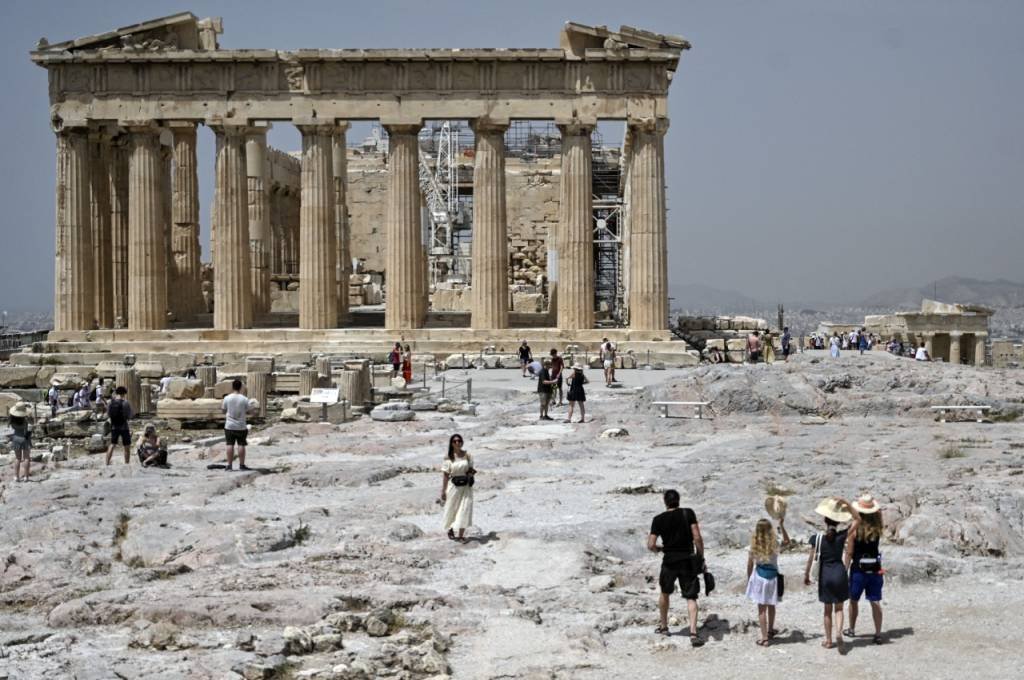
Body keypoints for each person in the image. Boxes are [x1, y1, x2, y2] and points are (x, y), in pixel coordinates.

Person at [648, 489, 705, 646]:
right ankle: (693, 633)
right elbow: (697, 537)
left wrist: (660, 549)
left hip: (669, 561)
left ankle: (664, 627)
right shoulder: (688, 513)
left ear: (665, 501)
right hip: (687, 559)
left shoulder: (658, 519)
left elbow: (650, 544)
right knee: (691, 596)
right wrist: (700, 556)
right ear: (678, 500)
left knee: (665, 592)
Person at [804, 497, 860, 650]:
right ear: (838, 522)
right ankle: (839, 634)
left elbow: (810, 560)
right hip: (840, 573)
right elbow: (858, 519)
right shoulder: (842, 536)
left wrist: (806, 575)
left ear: (824, 520)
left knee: (827, 610)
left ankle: (828, 640)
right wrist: (846, 503)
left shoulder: (817, 539)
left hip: (825, 576)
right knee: (839, 608)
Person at [845, 494, 885, 645]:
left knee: (853, 601)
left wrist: (844, 569)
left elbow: (849, 552)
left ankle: (852, 628)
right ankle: (878, 633)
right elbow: (880, 515)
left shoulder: (854, 531)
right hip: (875, 569)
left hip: (858, 571)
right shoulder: (877, 529)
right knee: (875, 601)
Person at [745, 517, 791, 646]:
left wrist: (749, 580)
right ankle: (770, 630)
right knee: (771, 605)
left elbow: (749, 565)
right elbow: (787, 541)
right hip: (773, 577)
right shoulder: (775, 543)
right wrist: (781, 525)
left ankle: (764, 638)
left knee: (761, 609)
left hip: (759, 577)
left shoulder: (753, 546)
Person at [440, 433, 475, 542]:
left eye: (459, 441)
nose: (457, 443)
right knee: (452, 508)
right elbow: (445, 474)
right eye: (455, 441)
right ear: (451, 443)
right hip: (453, 486)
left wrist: (470, 476)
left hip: (465, 486)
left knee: (465, 509)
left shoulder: (468, 455)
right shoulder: (448, 457)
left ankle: (460, 535)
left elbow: (471, 469)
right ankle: (451, 528)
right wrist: (443, 491)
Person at [222, 379, 254, 471]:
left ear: (232, 387)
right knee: (241, 445)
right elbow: (249, 411)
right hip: (241, 425)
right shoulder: (244, 399)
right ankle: (242, 465)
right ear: (241, 387)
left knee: (229, 444)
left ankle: (229, 465)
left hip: (229, 425)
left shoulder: (227, 398)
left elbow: (223, 410)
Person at [105, 386, 133, 466]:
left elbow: (108, 414)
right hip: (124, 427)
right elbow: (130, 416)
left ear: (116, 393)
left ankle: (107, 463)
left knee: (112, 444)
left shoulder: (111, 402)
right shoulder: (126, 403)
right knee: (126, 446)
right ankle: (126, 463)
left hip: (114, 426)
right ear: (124, 393)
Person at [7, 402, 33, 482]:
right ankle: (26, 477)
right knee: (26, 458)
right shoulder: (26, 420)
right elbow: (31, 427)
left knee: (17, 458)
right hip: (25, 438)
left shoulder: (12, 420)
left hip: (16, 438)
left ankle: (16, 477)